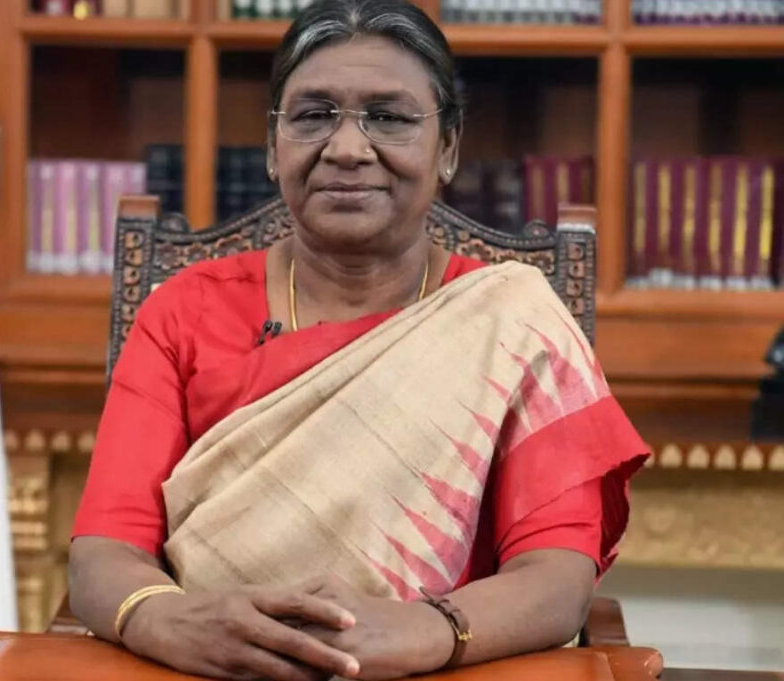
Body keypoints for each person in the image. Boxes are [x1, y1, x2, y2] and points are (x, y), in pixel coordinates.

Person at [67, 0, 647, 678]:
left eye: (390, 118)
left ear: (449, 148)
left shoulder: (513, 323)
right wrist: (169, 619)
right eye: (313, 116)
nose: (347, 149)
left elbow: (556, 577)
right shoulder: (182, 314)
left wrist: (428, 629)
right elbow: (102, 554)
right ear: (271, 147)